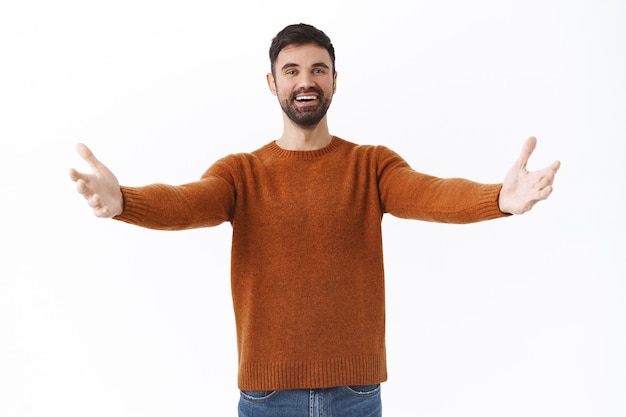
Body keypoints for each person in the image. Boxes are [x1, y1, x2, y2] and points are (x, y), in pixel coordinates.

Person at [69, 23, 560, 417]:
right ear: (272, 83)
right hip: (267, 397)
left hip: (356, 393)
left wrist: (498, 198)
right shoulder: (241, 172)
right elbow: (188, 201)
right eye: (292, 70)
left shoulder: (370, 165)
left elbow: (430, 193)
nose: (305, 81)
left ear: (334, 81)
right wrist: (125, 201)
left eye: (318, 70)